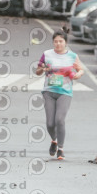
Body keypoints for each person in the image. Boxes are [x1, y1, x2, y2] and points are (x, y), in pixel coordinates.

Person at [35, 26, 84, 160]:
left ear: (65, 42)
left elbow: (80, 69)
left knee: (59, 120)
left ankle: (61, 149)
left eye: (60, 41)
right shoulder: (47, 54)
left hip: (65, 92)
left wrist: (77, 75)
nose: (58, 44)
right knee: (50, 123)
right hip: (49, 92)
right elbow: (37, 71)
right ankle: (54, 140)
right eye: (55, 41)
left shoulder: (72, 56)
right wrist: (43, 69)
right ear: (53, 42)